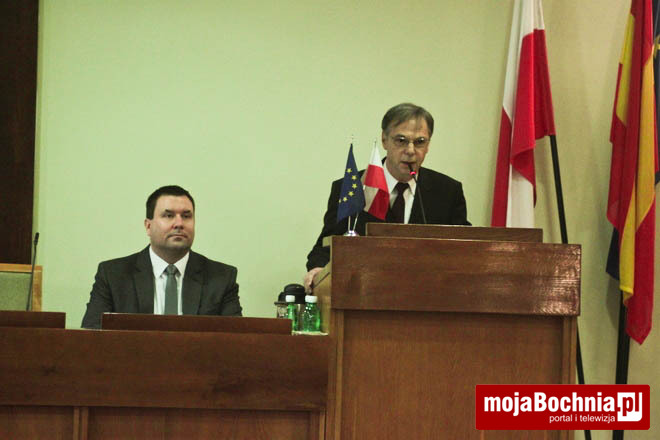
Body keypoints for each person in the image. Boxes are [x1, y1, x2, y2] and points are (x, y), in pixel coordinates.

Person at [304, 103, 470, 291]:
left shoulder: (447, 191)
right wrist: (319, 270)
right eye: (401, 140)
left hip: (426, 294)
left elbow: (463, 251)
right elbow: (326, 247)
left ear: (428, 145)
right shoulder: (352, 187)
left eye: (420, 142)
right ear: (384, 140)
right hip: (364, 293)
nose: (410, 150)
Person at [81, 185, 242, 329]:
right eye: (168, 215)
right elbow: (92, 337)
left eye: (186, 216)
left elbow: (236, 341)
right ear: (148, 226)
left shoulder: (221, 278)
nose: (179, 223)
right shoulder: (113, 275)